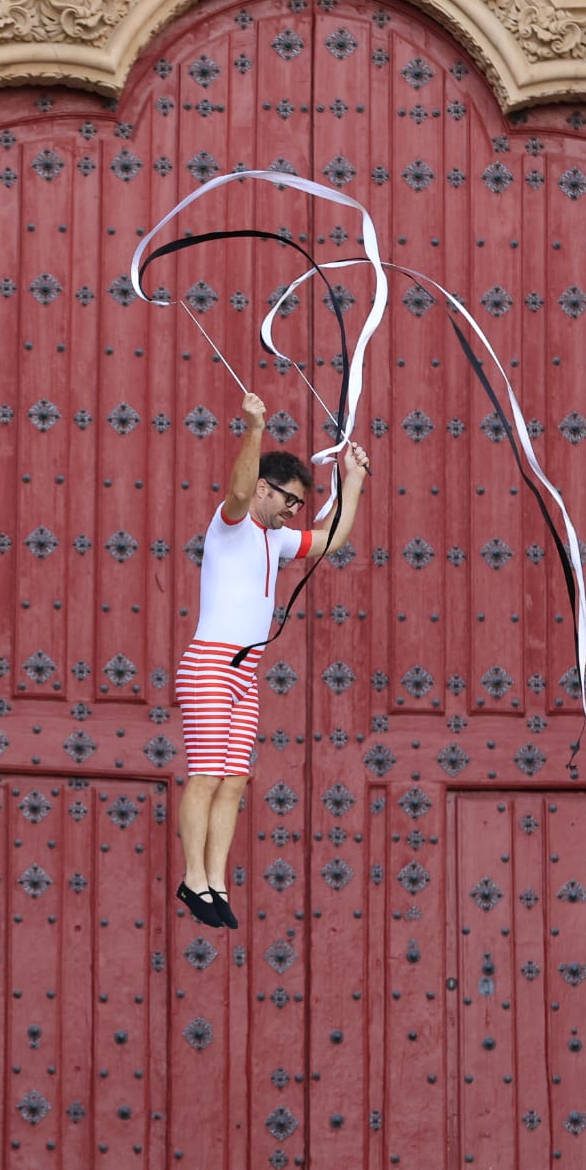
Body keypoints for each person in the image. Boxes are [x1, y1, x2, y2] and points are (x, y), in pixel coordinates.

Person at [174, 391, 369, 929]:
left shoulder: (277, 539)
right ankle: (193, 877)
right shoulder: (231, 523)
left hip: (244, 674)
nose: (292, 512)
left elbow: (330, 540)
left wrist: (352, 481)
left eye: (299, 506)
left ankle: (214, 882)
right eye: (288, 501)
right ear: (266, 488)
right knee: (207, 774)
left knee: (233, 780)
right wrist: (255, 428)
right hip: (211, 664)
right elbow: (238, 488)